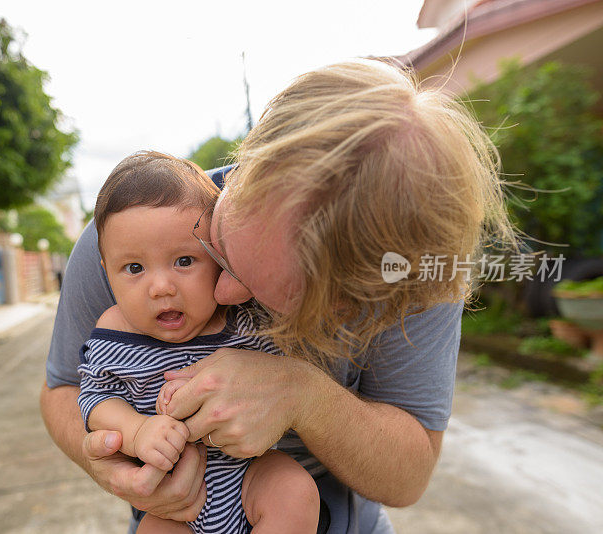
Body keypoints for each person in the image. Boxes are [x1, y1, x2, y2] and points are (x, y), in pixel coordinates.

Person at [40, 59, 516, 534]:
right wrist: (109, 460)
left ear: (353, 301)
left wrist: (304, 396)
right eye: (219, 248)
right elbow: (64, 388)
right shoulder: (131, 239)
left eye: (278, 295)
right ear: (248, 160)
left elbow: (409, 477)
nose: (225, 294)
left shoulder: (415, 272)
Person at [78, 151, 320, 533]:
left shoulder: (242, 320)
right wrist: (137, 430)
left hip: (249, 476)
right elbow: (94, 398)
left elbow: (281, 379)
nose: (161, 288)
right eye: (135, 268)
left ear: (219, 257)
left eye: (184, 261)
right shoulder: (114, 332)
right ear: (107, 273)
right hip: (173, 500)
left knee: (294, 490)